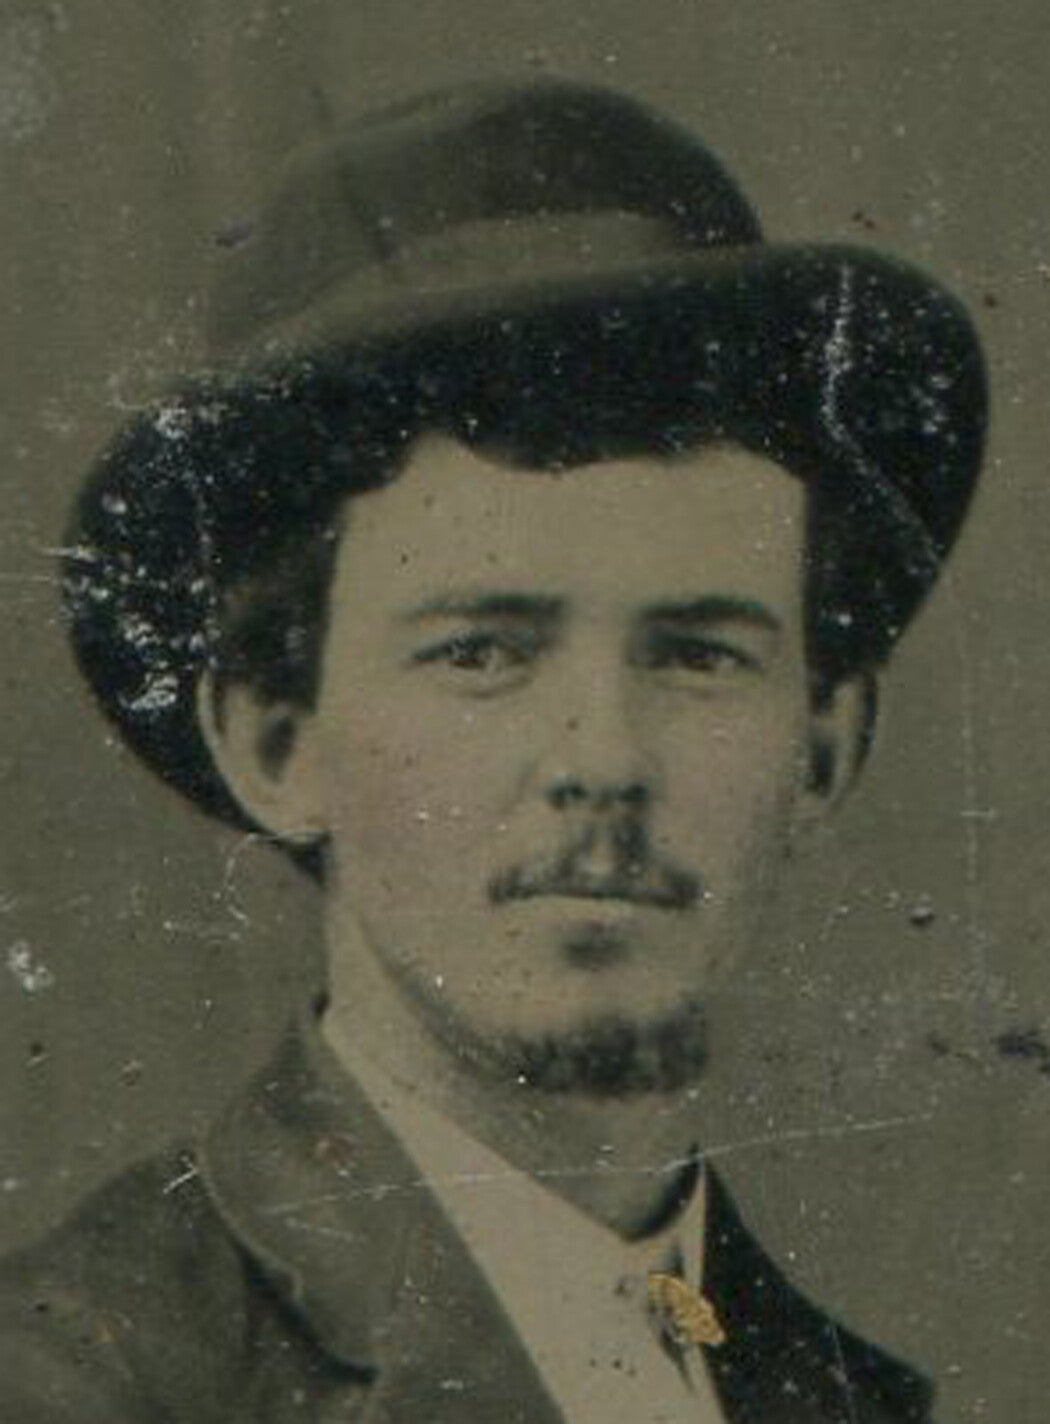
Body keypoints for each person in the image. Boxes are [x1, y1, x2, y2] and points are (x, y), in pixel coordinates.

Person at [0, 78, 986, 1422]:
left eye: (698, 653)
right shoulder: (80, 1380)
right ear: (273, 741)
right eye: (481, 653)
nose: (602, 758)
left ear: (822, 745)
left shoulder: (837, 1394)